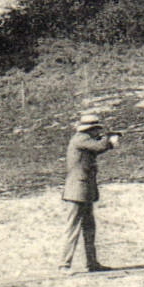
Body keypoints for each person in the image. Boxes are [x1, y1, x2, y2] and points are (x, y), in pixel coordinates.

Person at [59, 113, 121, 273]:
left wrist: (107, 139)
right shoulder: (81, 139)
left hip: (84, 191)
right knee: (72, 229)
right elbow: (99, 147)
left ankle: (92, 263)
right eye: (96, 130)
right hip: (77, 192)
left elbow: (97, 147)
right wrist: (109, 141)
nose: (97, 133)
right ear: (91, 129)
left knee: (89, 229)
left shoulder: (83, 139)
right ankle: (64, 265)